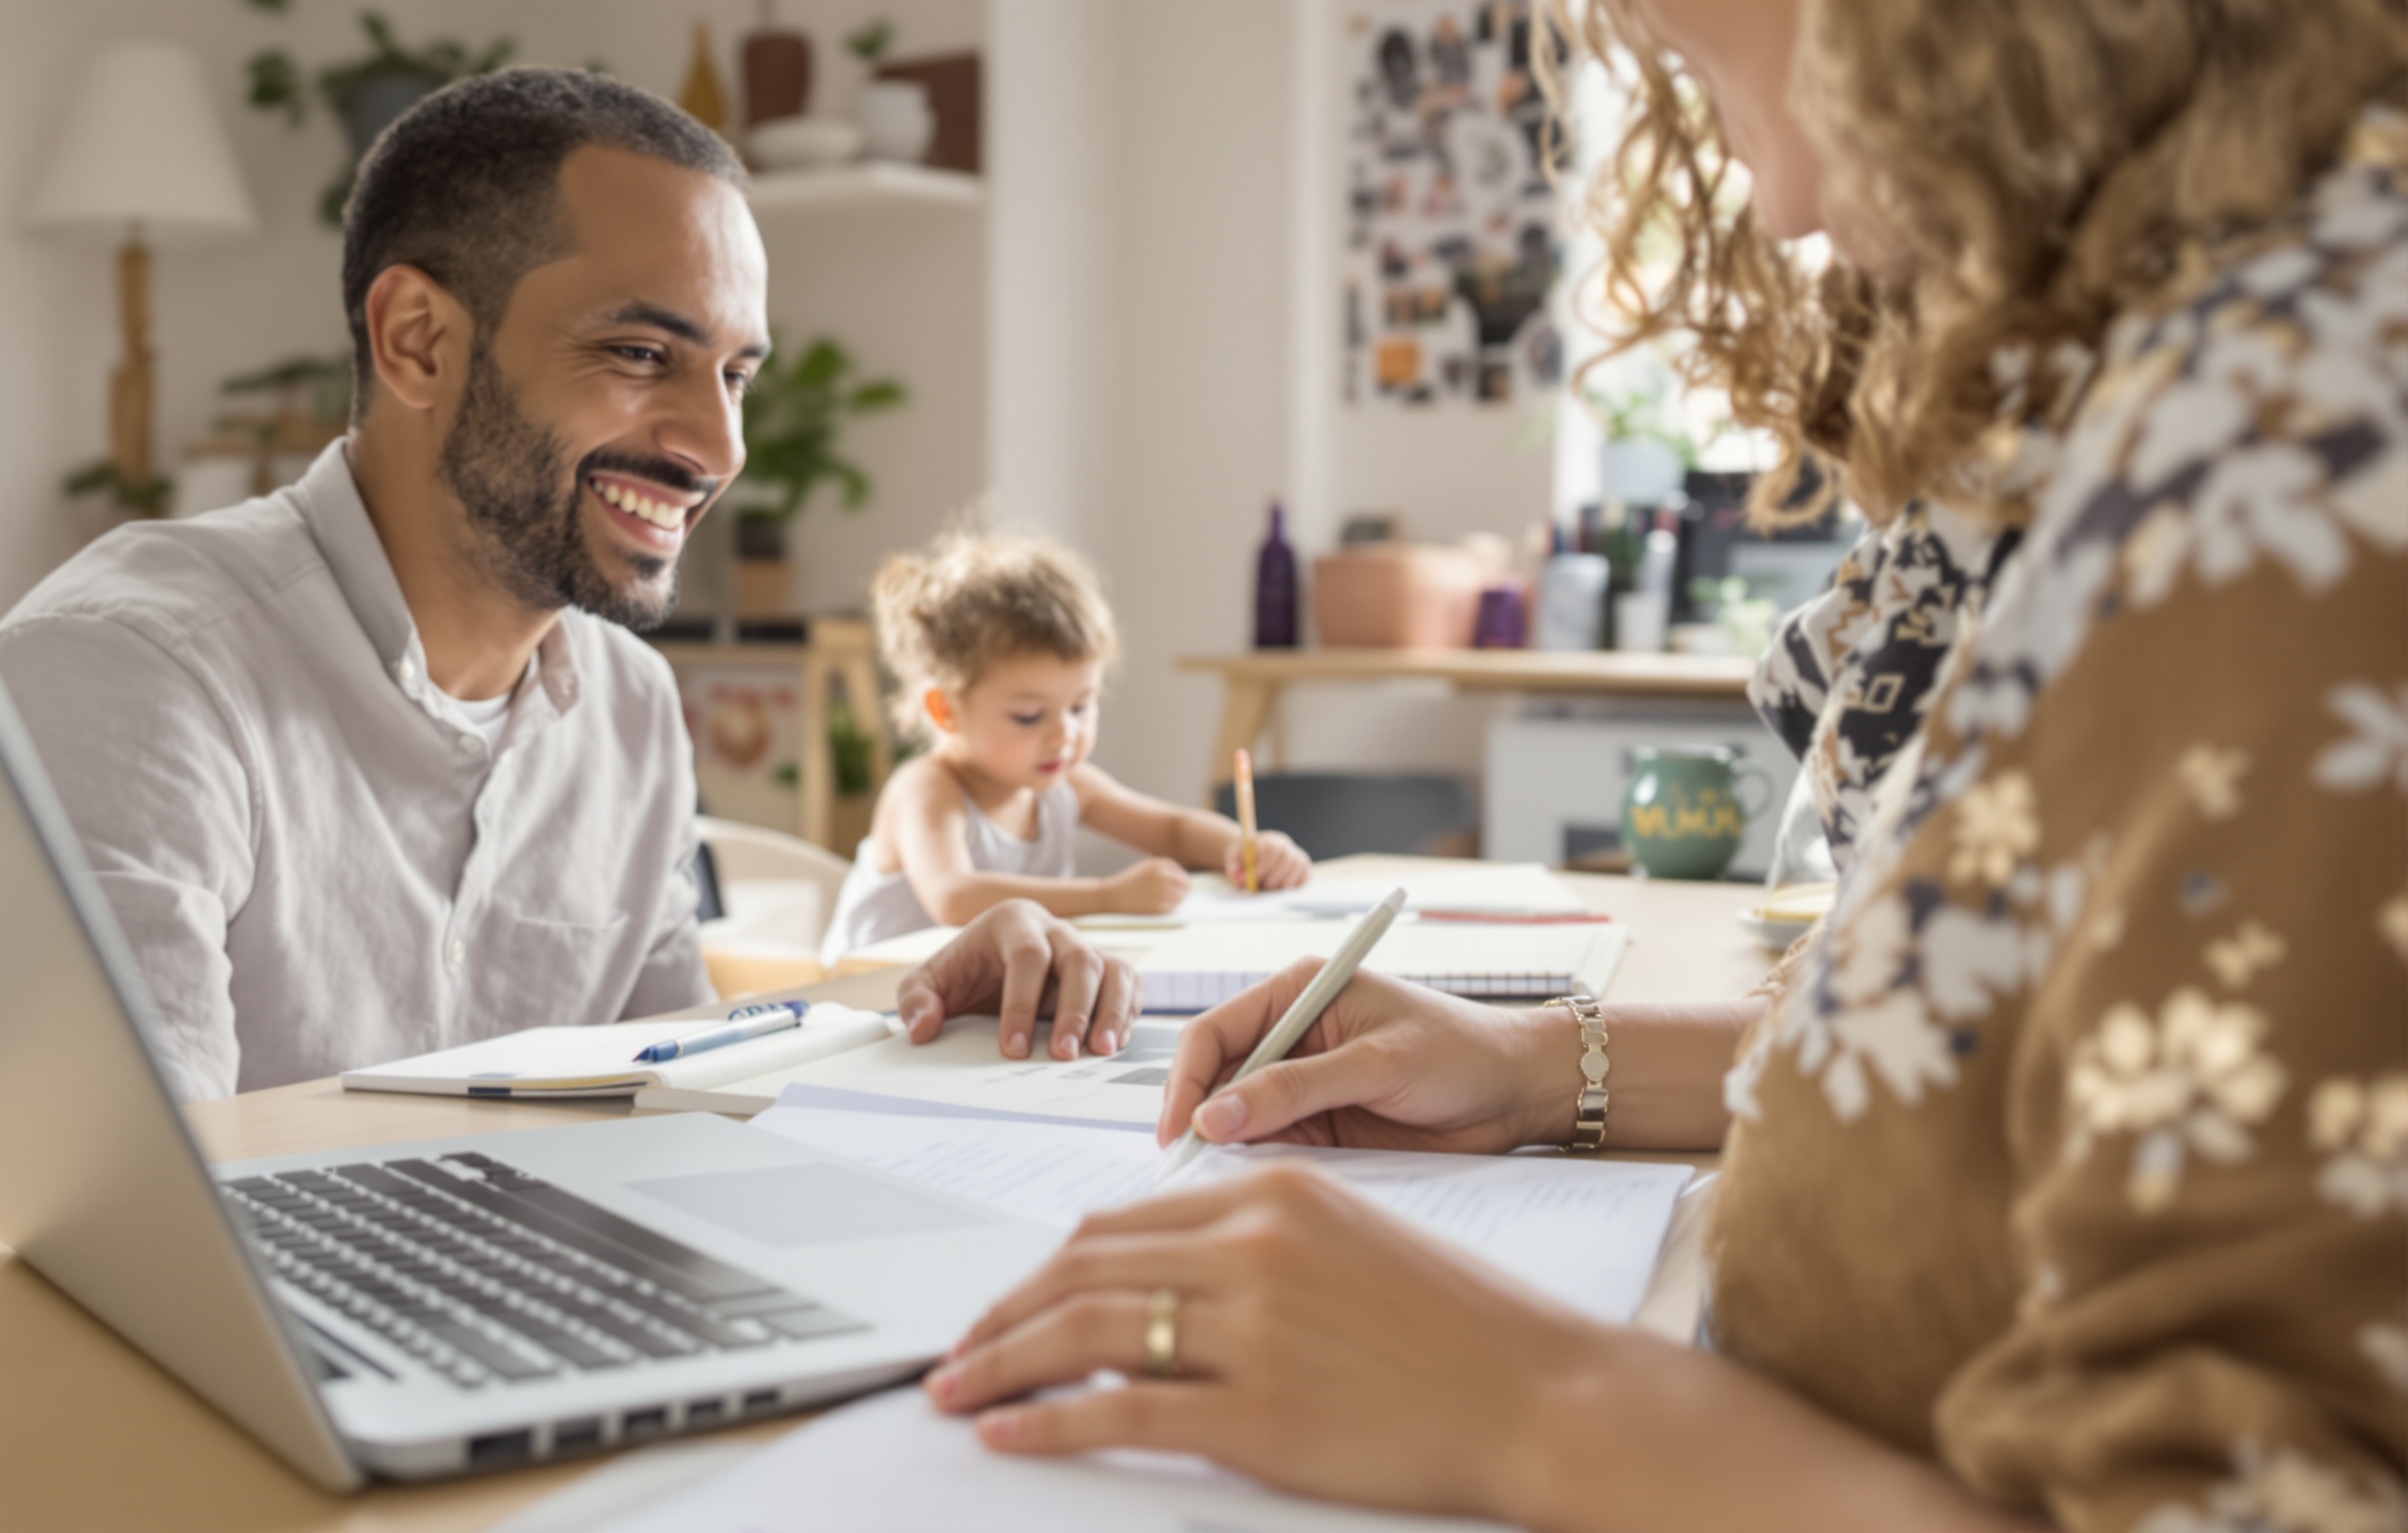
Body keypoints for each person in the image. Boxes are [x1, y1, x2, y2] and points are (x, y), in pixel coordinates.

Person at [923, 2, 2408, 1529]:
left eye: (1710, 67)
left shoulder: (2308, 449)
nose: (1787, 209)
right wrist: (1526, 1069)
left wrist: (1542, 1406)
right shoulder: (2211, 370)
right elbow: (2002, 1036)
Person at [0, 70, 1121, 1157]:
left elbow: (673, 1090)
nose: (715, 445)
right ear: (415, 341)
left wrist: (912, 1001)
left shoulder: (624, 706)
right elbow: (112, 1230)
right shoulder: (133, 673)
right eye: (639, 355)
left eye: (734, 374)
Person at [818, 530, 1312, 1036]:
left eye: (1081, 705)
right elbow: (955, 897)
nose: (1065, 734)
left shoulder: (1065, 784)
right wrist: (1107, 895)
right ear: (945, 709)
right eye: (1030, 716)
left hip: (974, 1010)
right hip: (866, 1005)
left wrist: (1246, 847)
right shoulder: (927, 788)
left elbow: (1172, 830)